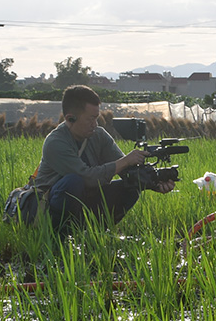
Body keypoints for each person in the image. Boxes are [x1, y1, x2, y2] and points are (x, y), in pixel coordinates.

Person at [33, 85, 173, 234]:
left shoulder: (98, 135)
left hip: (84, 198)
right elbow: (87, 178)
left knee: (130, 187)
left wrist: (155, 183)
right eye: (91, 119)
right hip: (50, 206)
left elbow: (128, 172)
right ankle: (61, 236)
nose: (95, 124)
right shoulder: (56, 143)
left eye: (97, 118)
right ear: (70, 118)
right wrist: (126, 160)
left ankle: (95, 234)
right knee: (73, 182)